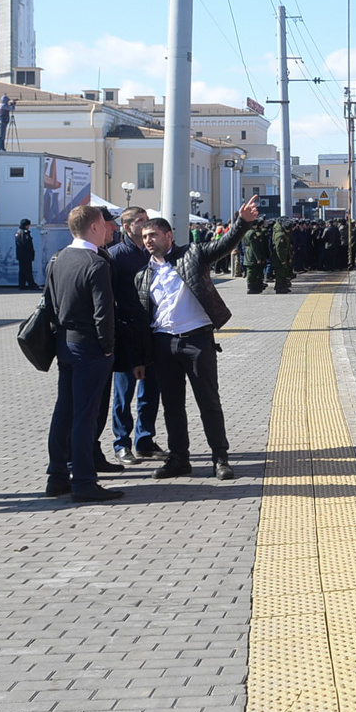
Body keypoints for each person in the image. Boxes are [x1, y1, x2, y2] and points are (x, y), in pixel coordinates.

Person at [137, 201, 257, 479]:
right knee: (172, 405)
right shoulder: (143, 276)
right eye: (144, 237)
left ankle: (220, 458)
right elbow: (143, 319)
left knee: (208, 402)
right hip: (164, 344)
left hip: (197, 342)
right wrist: (140, 358)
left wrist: (242, 222)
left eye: (153, 235)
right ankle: (179, 458)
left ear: (168, 236)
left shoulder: (193, 254)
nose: (148, 241)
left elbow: (224, 245)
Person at [44, 203, 124, 503]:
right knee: (85, 416)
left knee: (64, 411)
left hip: (64, 343)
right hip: (89, 347)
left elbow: (50, 304)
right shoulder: (96, 263)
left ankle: (57, 476)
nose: (108, 229)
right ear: (93, 227)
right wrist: (108, 348)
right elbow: (104, 313)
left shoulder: (58, 258)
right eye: (105, 224)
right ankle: (85, 482)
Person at [106, 205, 160, 462]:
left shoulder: (154, 253)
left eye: (147, 220)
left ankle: (145, 440)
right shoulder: (116, 256)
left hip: (153, 331)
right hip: (127, 333)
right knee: (123, 393)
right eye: (139, 221)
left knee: (151, 390)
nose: (145, 224)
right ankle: (121, 443)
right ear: (127, 227)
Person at [270, 215, 293, 294]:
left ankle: (281, 286)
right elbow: (279, 248)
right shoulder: (281, 235)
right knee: (280, 273)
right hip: (279, 258)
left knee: (283, 272)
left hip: (283, 256)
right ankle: (279, 288)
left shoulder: (284, 234)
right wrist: (282, 259)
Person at [14, 218, 37, 290]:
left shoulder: (18, 232)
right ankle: (31, 285)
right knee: (28, 270)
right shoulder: (25, 232)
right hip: (26, 255)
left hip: (21, 255)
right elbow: (26, 244)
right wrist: (31, 253)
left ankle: (22, 285)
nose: (29, 226)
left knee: (22, 271)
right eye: (28, 225)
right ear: (26, 225)